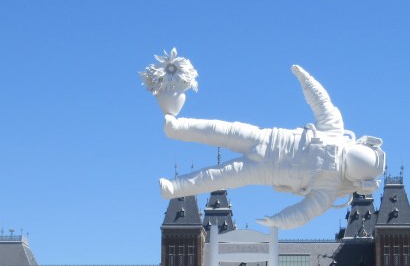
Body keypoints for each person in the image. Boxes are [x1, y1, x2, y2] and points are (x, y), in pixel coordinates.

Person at [156, 64, 385, 230]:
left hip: (266, 152)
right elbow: (304, 213)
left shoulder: (331, 175)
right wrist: (279, 220)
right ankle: (174, 170)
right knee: (218, 168)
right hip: (266, 148)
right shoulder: (330, 185)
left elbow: (322, 102)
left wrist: (305, 79)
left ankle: (175, 161)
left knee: (219, 142)